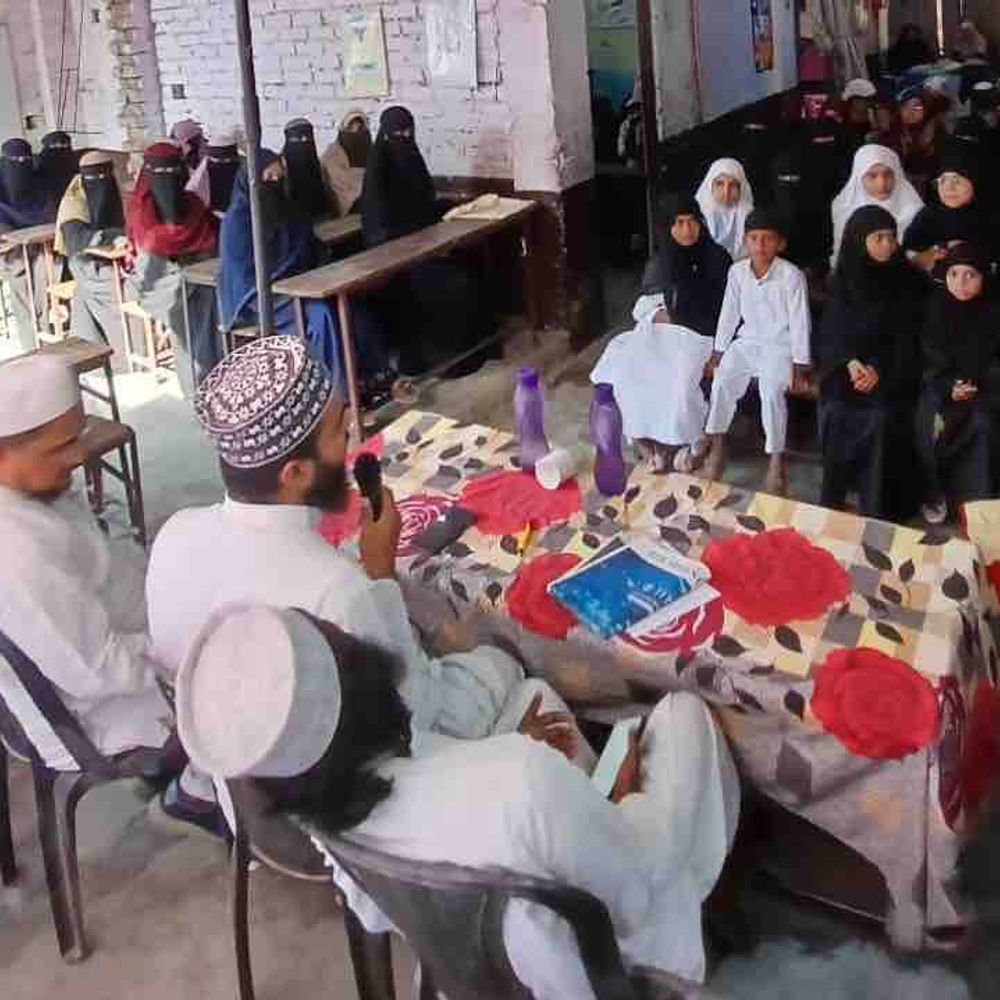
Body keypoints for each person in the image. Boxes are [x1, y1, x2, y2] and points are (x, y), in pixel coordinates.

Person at [176, 602, 740, 991]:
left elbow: (376, 911)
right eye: (336, 632)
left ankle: (596, 816)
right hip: (604, 959)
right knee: (683, 716)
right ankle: (695, 927)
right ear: (362, 683)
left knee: (532, 695)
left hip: (485, 959)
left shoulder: (322, 815)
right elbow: (635, 890)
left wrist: (507, 755)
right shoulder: (521, 781)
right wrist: (622, 799)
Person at [146, 336, 592, 760]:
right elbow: (420, 718)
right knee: (508, 664)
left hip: (245, 769)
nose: (353, 443)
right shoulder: (338, 592)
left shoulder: (174, 535)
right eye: (340, 432)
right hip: (381, 781)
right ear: (296, 474)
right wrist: (380, 576)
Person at [0, 353, 218, 832]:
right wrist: (191, 649)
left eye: (77, 437)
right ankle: (199, 793)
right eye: (60, 448)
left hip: (131, 632)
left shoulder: (31, 491)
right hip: (100, 709)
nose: (79, 456)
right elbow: (98, 671)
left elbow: (101, 562)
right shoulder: (15, 554)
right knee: (253, 674)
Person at [219, 150, 396, 404]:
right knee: (321, 313)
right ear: (250, 181)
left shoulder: (287, 209)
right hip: (258, 298)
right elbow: (244, 277)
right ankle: (337, 398)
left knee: (350, 303)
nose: (275, 183)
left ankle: (374, 377)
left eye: (279, 176)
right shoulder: (238, 221)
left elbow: (308, 246)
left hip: (298, 286)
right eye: (267, 177)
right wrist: (291, 283)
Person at [816, 206, 925, 518]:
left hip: (894, 372)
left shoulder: (907, 282)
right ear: (859, 240)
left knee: (880, 417)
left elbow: (909, 340)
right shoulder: (844, 279)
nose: (887, 245)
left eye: (892, 237)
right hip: (848, 370)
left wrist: (881, 370)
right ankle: (836, 497)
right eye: (878, 238)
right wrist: (849, 361)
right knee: (836, 410)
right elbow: (832, 332)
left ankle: (877, 505)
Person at [360, 106, 483, 376]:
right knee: (446, 287)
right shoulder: (378, 175)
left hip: (423, 246)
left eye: (408, 131)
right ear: (385, 134)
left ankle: (465, 353)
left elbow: (423, 204)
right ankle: (438, 360)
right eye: (397, 133)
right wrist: (412, 238)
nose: (404, 137)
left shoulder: (412, 158)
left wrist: (453, 207)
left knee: (468, 270)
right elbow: (378, 227)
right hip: (393, 256)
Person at [702, 208, 811, 495]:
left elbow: (800, 321)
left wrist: (801, 363)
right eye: (754, 239)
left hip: (780, 345)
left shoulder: (791, 276)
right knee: (723, 378)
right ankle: (717, 446)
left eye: (767, 239)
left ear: (780, 243)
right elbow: (729, 313)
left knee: (771, 391)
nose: (760, 246)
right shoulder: (737, 272)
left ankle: (776, 459)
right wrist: (719, 351)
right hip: (748, 341)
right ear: (745, 242)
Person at [126, 141, 219, 397]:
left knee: (211, 298)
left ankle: (217, 371)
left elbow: (213, 237)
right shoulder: (140, 209)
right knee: (183, 310)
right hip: (156, 283)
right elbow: (143, 262)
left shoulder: (193, 204)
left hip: (197, 276)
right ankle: (196, 383)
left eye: (172, 172)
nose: (166, 182)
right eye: (159, 173)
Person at [916, 243, 999, 523]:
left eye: (970, 275)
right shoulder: (934, 308)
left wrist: (976, 385)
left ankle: (977, 507)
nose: (961, 283)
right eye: (954, 274)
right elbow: (927, 359)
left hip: (985, 390)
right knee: (931, 423)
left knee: (983, 424)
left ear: (984, 278)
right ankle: (935, 493)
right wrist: (950, 386)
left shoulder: (993, 311)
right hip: (939, 388)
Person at [54, 151, 130, 365]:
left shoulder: (116, 191)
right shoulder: (74, 200)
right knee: (119, 289)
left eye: (105, 175)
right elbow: (77, 239)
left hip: (113, 256)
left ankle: (93, 345)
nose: (101, 182)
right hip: (84, 262)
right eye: (94, 177)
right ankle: (124, 353)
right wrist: (113, 237)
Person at [904, 147, 996, 274]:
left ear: (975, 182)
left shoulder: (989, 217)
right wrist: (924, 256)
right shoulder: (928, 214)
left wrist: (967, 251)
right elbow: (909, 248)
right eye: (942, 181)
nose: (949, 188)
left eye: (956, 181)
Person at [0, 138, 53, 352]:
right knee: (20, 275)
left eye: (25, 159)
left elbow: (47, 212)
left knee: (45, 271)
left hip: (38, 242)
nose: (20, 162)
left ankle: (43, 327)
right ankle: (30, 339)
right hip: (10, 248)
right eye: (15, 159)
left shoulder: (38, 181)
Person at [830, 144, 923, 264]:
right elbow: (842, 257)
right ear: (859, 177)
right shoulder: (845, 208)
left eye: (888, 174)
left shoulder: (914, 208)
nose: (882, 183)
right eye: (872, 176)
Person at [694, 158, 754, 261]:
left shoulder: (752, 218)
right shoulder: (696, 215)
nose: (726, 192)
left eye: (733, 185)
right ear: (710, 186)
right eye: (719, 184)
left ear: (741, 189)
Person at [321, 111, 371, 216]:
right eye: (351, 128)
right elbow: (339, 178)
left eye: (360, 129)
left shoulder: (373, 151)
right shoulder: (332, 154)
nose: (355, 132)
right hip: (343, 208)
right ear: (344, 129)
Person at [283, 118, 334, 222]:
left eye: (307, 138)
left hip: (322, 219)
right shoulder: (281, 169)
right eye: (296, 139)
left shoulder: (320, 165)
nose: (303, 142)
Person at [187, 130, 242, 213]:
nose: (222, 163)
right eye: (216, 160)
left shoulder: (244, 173)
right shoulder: (199, 182)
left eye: (227, 160)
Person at [37, 130, 77, 210]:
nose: (60, 150)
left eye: (64, 146)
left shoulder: (75, 162)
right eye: (54, 147)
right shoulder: (38, 167)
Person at [840, 78, 878, 153]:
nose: (869, 103)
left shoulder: (872, 120)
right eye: (865, 100)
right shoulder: (843, 127)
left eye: (869, 99)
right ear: (853, 101)